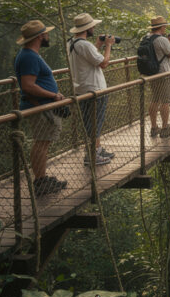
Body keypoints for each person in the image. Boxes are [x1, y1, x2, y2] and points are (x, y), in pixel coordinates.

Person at [14, 20, 68, 197]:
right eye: (46, 33)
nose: (47, 36)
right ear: (40, 36)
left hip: (43, 106)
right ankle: (39, 181)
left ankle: (42, 179)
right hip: (40, 107)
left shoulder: (30, 54)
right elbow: (28, 86)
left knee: (43, 142)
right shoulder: (29, 56)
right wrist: (53, 95)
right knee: (41, 142)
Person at [68, 13, 114, 166]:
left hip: (81, 88)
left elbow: (89, 56)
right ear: (87, 28)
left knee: (91, 121)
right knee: (95, 122)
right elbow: (103, 63)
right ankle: (92, 156)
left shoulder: (72, 43)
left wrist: (98, 45)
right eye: (92, 26)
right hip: (94, 89)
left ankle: (97, 149)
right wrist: (108, 46)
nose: (94, 27)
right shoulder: (85, 45)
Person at [144, 16, 170, 138]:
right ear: (162, 27)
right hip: (164, 73)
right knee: (165, 101)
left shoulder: (147, 38)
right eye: (165, 27)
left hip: (152, 73)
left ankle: (154, 127)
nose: (165, 29)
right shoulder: (161, 40)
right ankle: (165, 128)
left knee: (155, 99)